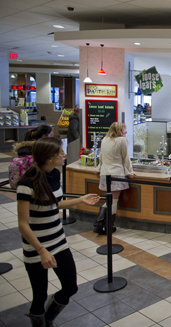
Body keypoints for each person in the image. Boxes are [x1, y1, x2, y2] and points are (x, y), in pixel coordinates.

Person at [17, 137, 99, 326]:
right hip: (37, 248)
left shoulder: (54, 175)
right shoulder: (26, 184)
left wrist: (80, 200)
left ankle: (48, 318)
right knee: (39, 295)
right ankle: (39, 320)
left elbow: (53, 204)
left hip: (59, 242)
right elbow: (23, 224)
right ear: (48, 158)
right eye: (60, 153)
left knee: (70, 287)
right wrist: (41, 250)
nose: (64, 155)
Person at [93, 122, 135, 234]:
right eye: (124, 131)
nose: (125, 134)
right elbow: (125, 158)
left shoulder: (105, 139)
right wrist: (130, 172)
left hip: (104, 174)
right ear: (120, 131)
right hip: (116, 174)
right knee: (113, 201)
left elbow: (101, 157)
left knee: (108, 200)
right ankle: (107, 226)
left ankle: (99, 223)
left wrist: (98, 168)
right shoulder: (121, 140)